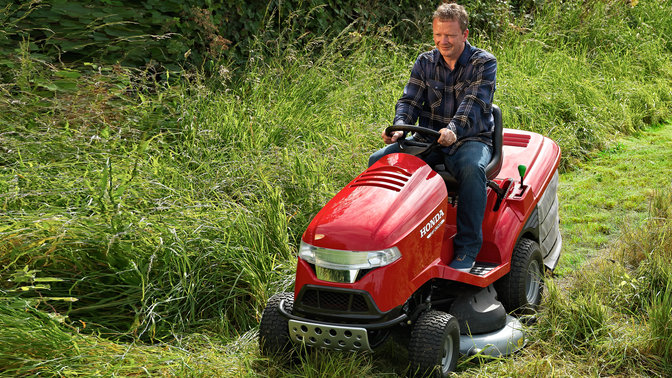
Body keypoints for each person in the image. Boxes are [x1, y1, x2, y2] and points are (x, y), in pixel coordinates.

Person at [368, 2, 497, 273]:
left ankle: (467, 248)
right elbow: (409, 100)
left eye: (449, 35)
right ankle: (382, 240)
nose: (443, 41)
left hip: (469, 139)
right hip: (429, 139)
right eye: (438, 34)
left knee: (472, 169)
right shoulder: (425, 62)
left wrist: (453, 130)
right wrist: (400, 126)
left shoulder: (483, 63)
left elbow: (473, 104)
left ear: (465, 34)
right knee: (379, 160)